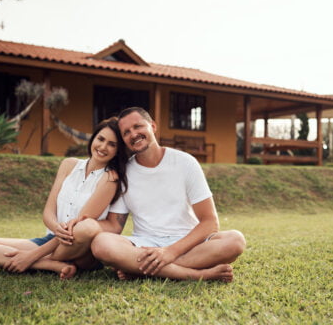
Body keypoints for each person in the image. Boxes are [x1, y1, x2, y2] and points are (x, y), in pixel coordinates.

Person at [90, 107, 246, 282]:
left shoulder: (185, 162)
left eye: (138, 126)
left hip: (188, 243)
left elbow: (210, 222)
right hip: (146, 244)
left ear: (153, 126)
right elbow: (114, 225)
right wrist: (82, 225)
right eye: (126, 132)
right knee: (101, 243)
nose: (133, 134)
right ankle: (196, 275)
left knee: (235, 240)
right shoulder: (123, 172)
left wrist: (169, 253)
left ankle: (141, 270)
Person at [0, 117, 129, 279]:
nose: (103, 147)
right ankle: (50, 265)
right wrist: (55, 228)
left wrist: (30, 256)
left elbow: (78, 226)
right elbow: (48, 212)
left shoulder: (110, 178)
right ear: (93, 138)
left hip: (80, 247)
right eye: (100, 139)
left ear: (118, 151)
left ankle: (38, 260)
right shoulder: (68, 164)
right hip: (51, 240)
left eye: (112, 144)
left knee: (85, 228)